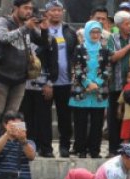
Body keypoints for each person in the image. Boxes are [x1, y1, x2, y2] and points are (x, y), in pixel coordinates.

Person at [0, 0, 46, 148]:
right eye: (25, 8)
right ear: (15, 8)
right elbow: (4, 38)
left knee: (12, 114)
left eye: (31, 8)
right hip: (0, 75)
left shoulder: (29, 25)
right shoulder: (3, 21)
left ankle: (8, 146)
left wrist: (44, 29)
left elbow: (44, 42)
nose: (29, 11)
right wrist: (25, 28)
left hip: (20, 78)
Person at [69, 20, 111, 159]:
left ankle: (94, 151)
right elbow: (76, 68)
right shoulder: (79, 48)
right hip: (82, 91)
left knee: (97, 124)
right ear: (87, 32)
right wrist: (87, 83)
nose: (95, 35)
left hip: (98, 92)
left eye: (98, 32)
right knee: (80, 123)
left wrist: (97, 83)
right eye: (93, 32)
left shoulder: (105, 50)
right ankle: (81, 150)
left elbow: (107, 69)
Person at [44, 0, 77, 158]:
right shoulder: (42, 31)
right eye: (53, 10)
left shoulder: (69, 31)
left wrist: (74, 77)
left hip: (66, 82)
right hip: (47, 82)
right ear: (47, 13)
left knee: (65, 116)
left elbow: (75, 55)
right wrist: (46, 81)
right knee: (44, 117)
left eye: (59, 10)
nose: (56, 13)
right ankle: (46, 148)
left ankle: (65, 146)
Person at [20, 13, 56, 158]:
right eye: (32, 22)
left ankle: (46, 148)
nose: (35, 25)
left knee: (44, 117)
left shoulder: (48, 39)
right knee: (26, 117)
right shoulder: (21, 37)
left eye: (38, 22)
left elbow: (53, 62)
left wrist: (50, 83)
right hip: (23, 84)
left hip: (42, 83)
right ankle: (29, 147)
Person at [107, 10, 130, 157]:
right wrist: (129, 47)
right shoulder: (112, 38)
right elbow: (112, 57)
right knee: (114, 117)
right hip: (116, 84)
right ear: (118, 25)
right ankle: (113, 149)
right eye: (126, 23)